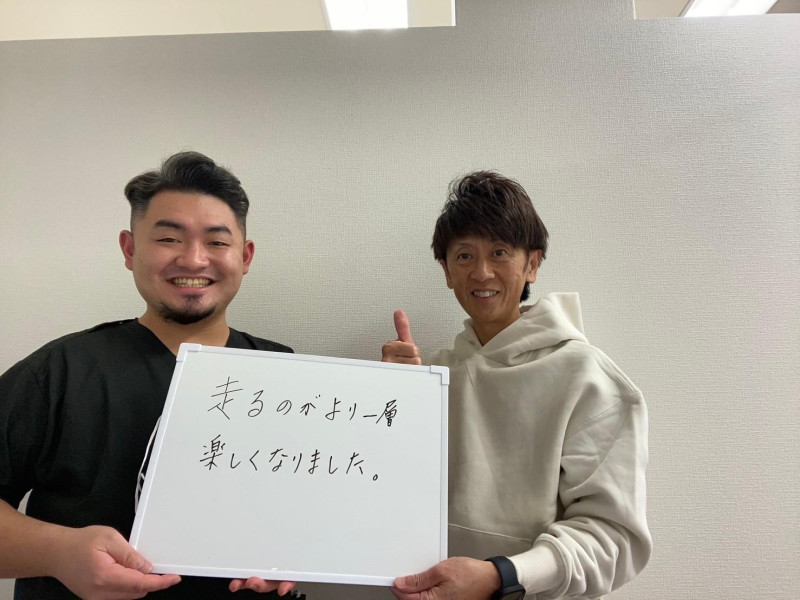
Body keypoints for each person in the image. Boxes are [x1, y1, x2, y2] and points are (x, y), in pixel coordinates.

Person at [0, 152, 298, 599]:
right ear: (129, 249)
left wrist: (399, 397)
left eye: (217, 242)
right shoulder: (59, 371)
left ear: (245, 256)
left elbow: (318, 509)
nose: (194, 260)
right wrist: (57, 553)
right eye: (169, 239)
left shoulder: (284, 372)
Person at [382, 171, 651, 599]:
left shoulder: (589, 379)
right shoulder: (431, 375)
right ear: (447, 271)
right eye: (464, 255)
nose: (482, 272)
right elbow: (382, 494)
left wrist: (502, 576)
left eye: (500, 252)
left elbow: (613, 539)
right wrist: (387, 402)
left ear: (532, 265)